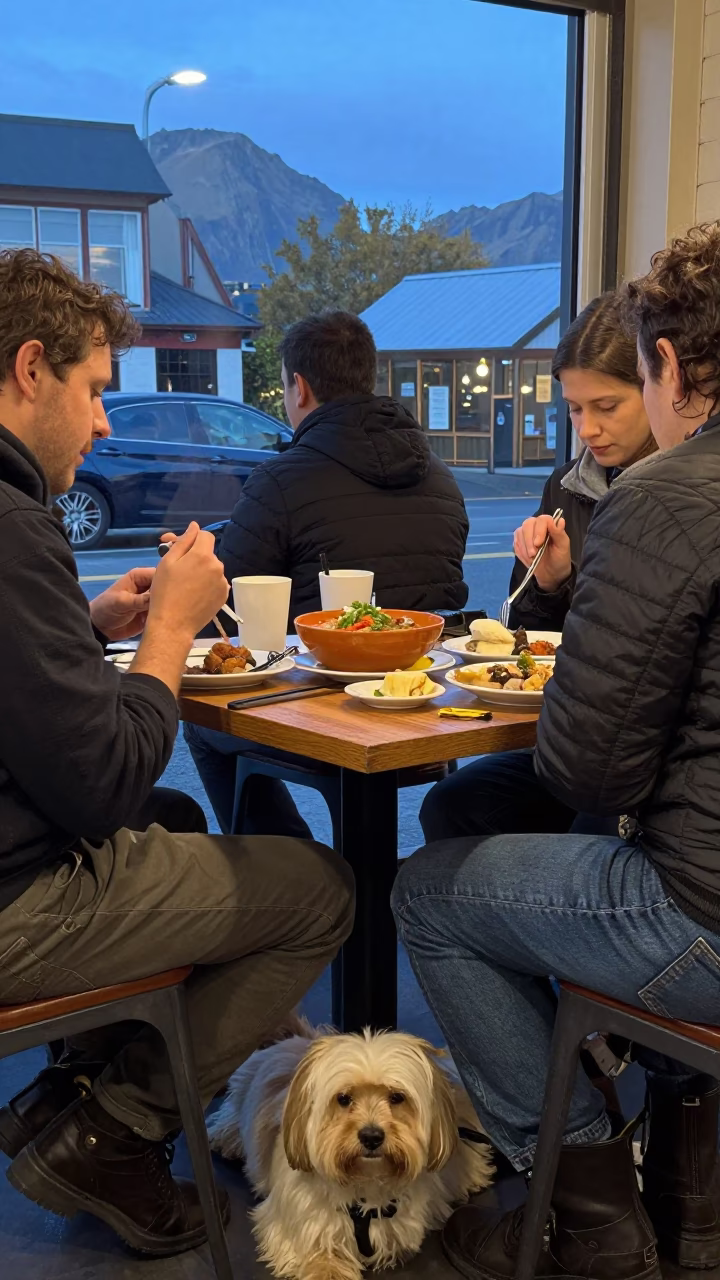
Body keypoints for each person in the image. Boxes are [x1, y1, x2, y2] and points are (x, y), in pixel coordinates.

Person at [0, 249, 354, 1257]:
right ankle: (114, 1133)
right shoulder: (13, 524)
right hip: (12, 901)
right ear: (32, 369)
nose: (106, 422)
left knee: (185, 819)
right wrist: (169, 635)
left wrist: (81, 617)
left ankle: (65, 1095)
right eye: (97, 390)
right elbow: (104, 784)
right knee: (323, 886)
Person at [392, 222, 720, 1280]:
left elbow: (589, 771)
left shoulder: (664, 500)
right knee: (481, 815)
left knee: (428, 890)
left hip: (701, 918)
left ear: (665, 363)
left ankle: (584, 1208)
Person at [185, 309, 469, 837]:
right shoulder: (441, 477)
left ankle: (288, 866)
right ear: (368, 378)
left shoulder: (279, 481)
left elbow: (227, 613)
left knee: (202, 724)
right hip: (429, 703)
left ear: (300, 387)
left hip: (315, 710)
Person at [420, 291, 657, 843]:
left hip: (635, 758)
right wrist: (550, 582)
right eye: (575, 408)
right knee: (453, 805)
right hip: (567, 736)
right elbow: (520, 633)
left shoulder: (674, 498)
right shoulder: (565, 487)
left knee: (585, 833)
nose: (588, 429)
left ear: (655, 388)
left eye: (607, 406)